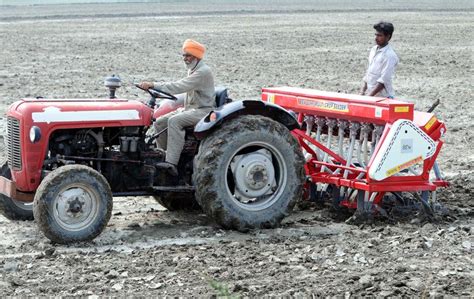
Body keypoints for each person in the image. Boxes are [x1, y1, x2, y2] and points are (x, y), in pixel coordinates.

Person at [139, 39, 215, 176]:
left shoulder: (202, 72)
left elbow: (179, 86)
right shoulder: (193, 69)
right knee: (160, 121)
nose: (185, 59)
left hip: (202, 110)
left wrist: (153, 85)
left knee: (175, 121)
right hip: (190, 109)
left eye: (188, 55)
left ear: (196, 56)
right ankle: (161, 155)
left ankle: (171, 163)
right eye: (184, 56)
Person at [360, 21, 399, 98]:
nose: (376, 38)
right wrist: (362, 92)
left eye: (380, 35)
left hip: (383, 98)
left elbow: (383, 80)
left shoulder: (390, 56)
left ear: (388, 37)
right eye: (376, 35)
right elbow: (368, 73)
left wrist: (368, 97)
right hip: (371, 95)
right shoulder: (373, 50)